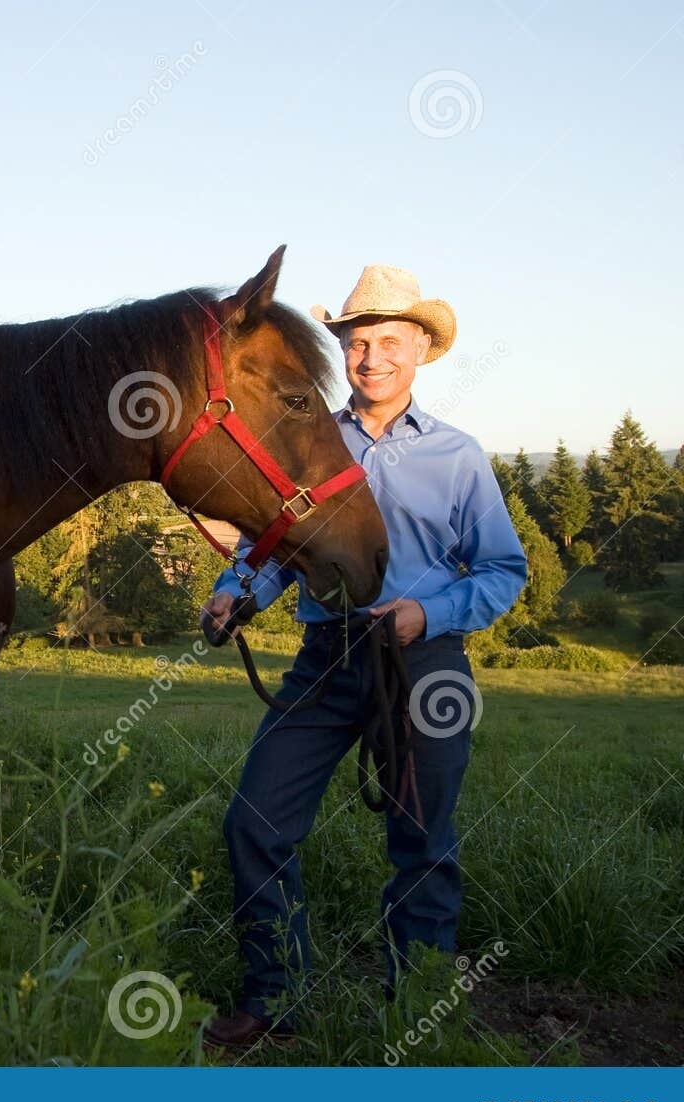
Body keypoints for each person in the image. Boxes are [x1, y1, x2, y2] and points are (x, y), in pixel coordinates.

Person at [201, 264, 528, 1049]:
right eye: (357, 342)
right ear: (341, 351)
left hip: (424, 665)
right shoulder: (310, 440)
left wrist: (428, 610)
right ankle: (275, 999)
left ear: (420, 349)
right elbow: (274, 548)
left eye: (389, 340)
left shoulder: (458, 456)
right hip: (325, 654)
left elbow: (502, 569)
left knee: (422, 840)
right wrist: (233, 590)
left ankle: (417, 1013)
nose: (371, 356)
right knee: (255, 819)